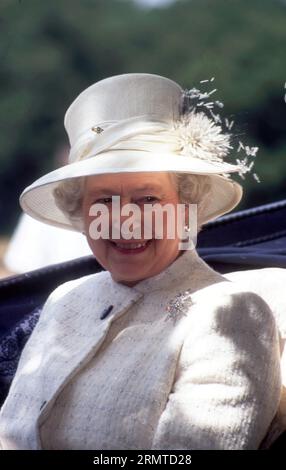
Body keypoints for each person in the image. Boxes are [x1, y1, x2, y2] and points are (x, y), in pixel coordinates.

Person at [0, 73, 282, 450]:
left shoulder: (228, 313)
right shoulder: (64, 300)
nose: (124, 221)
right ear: (82, 214)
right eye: (102, 201)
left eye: (148, 200)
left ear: (186, 208)